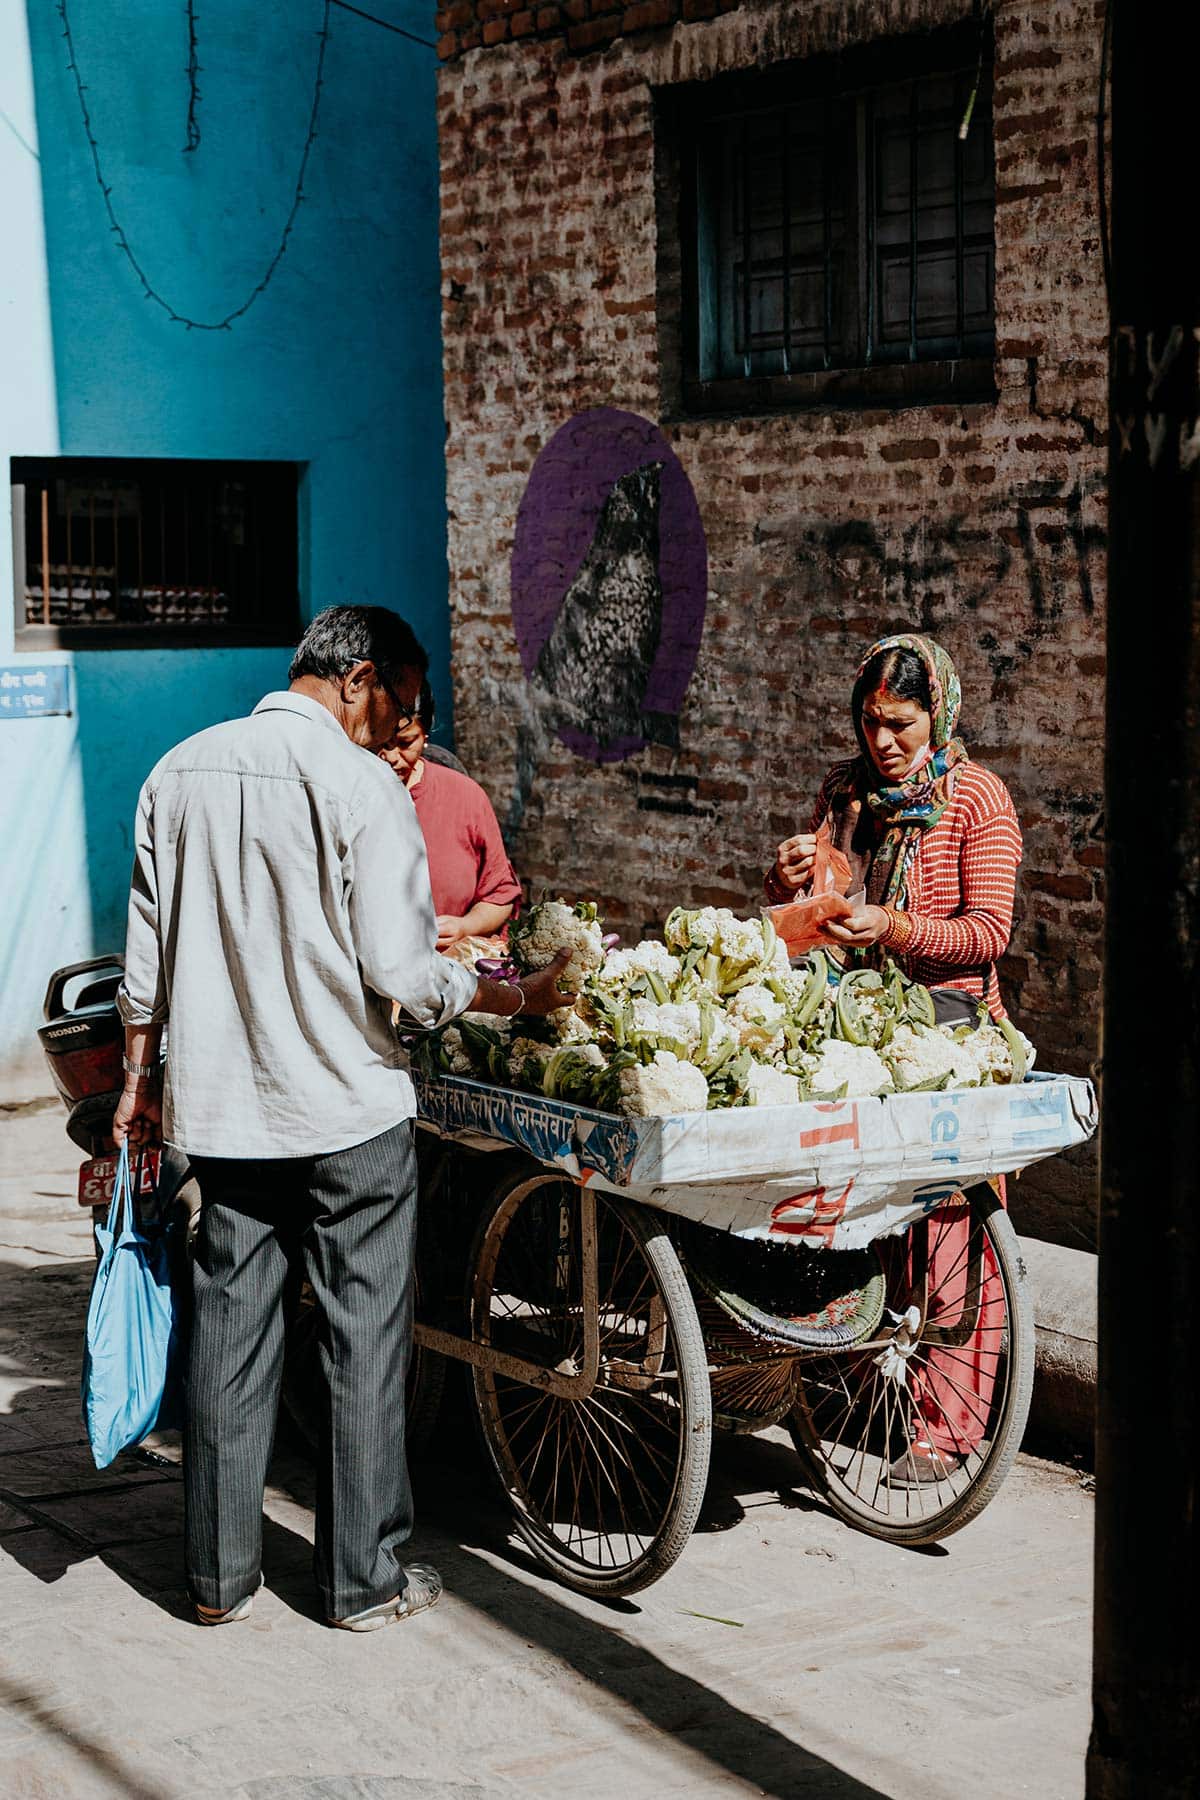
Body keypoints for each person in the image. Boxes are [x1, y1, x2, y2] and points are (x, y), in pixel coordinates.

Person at [112, 605, 571, 1631]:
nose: (400, 730)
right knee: (364, 1343)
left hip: (226, 1115)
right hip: (348, 1112)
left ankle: (217, 1581)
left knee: (230, 1337)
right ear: (359, 679)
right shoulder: (360, 786)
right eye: (401, 704)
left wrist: (138, 1094)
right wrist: (503, 996)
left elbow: (142, 969)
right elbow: (401, 975)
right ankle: (363, 1583)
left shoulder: (177, 770)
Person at [766, 632, 1022, 1483]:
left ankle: (945, 1431)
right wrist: (792, 881)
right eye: (872, 723)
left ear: (938, 714)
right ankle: (859, 1387)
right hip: (851, 1043)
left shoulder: (978, 800)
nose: (885, 743)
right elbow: (815, 918)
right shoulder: (844, 794)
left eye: (903, 726)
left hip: (947, 1043)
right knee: (862, 1226)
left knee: (950, 1236)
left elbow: (989, 933)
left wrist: (896, 927)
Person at [378, 679, 521, 955]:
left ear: (425, 737)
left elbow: (500, 893)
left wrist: (466, 925)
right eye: (381, 744)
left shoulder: (465, 797)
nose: (392, 757)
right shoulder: (347, 798)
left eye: (406, 743)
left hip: (450, 973)